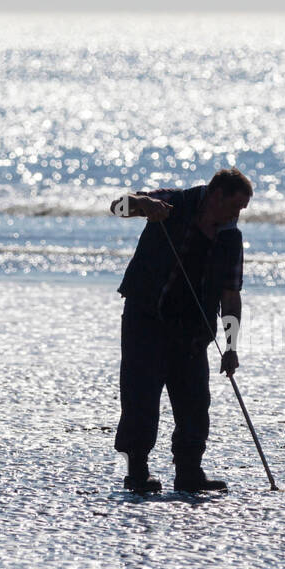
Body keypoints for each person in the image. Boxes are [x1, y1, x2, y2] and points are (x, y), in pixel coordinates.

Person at [109, 168, 252, 493]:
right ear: (216, 195)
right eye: (235, 206)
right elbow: (118, 207)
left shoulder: (231, 237)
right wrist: (144, 203)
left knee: (195, 403)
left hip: (192, 329)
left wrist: (231, 345)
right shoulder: (173, 203)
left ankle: (189, 472)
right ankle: (137, 472)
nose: (237, 214)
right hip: (146, 318)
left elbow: (231, 294)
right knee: (141, 396)